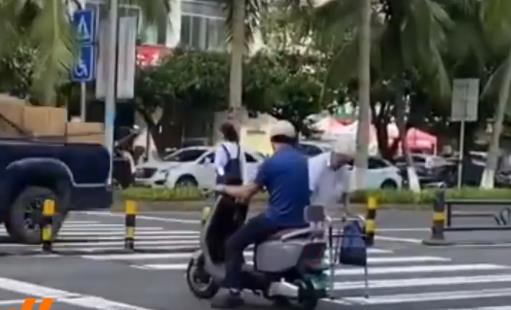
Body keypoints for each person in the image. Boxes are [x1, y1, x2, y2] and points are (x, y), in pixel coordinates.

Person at [211, 120, 310, 309]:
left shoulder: (271, 163)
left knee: (232, 243)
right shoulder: (304, 160)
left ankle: (233, 292)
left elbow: (246, 192)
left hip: (277, 219)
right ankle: (272, 284)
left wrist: (222, 187)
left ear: (273, 140)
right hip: (301, 220)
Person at [308, 140, 355, 217]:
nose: (342, 165)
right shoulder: (317, 165)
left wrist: (346, 211)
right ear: (334, 153)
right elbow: (308, 191)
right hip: (313, 211)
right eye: (341, 161)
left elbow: (345, 194)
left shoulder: (344, 169)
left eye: (346, 162)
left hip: (329, 213)